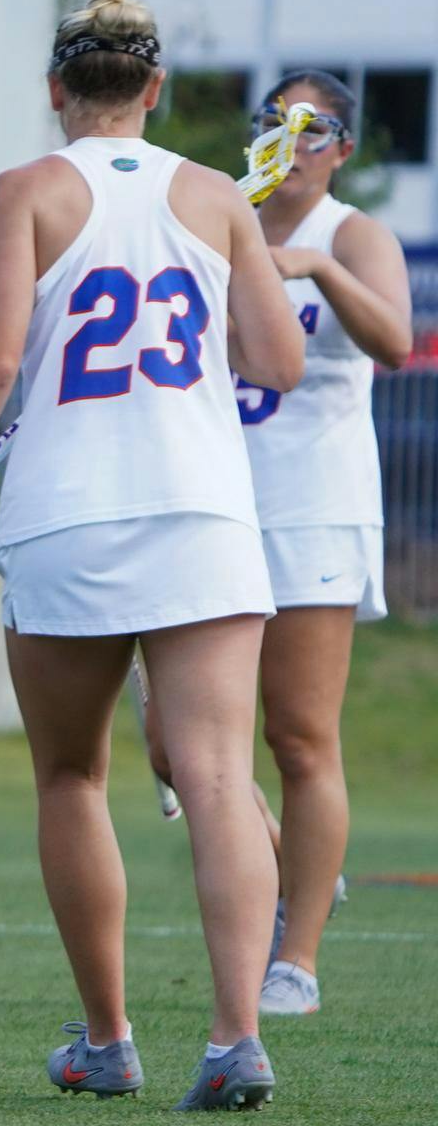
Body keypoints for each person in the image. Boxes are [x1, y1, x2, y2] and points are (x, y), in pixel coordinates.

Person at [0, 0, 305, 1110]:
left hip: (68, 516)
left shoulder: (23, 192)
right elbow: (276, 364)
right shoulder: (213, 196)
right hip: (201, 511)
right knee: (213, 774)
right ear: (153, 90)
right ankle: (233, 1037)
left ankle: (106, 1040)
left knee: (71, 775)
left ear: (56, 89)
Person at [143, 70, 410, 1020]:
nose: (289, 140)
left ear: (342, 148)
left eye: (313, 127)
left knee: (299, 734)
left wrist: (319, 271)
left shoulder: (353, 234)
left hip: (311, 507)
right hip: (214, 502)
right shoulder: (217, 214)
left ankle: (295, 955)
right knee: (176, 741)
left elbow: (394, 339)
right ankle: (291, 852)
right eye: (273, 121)